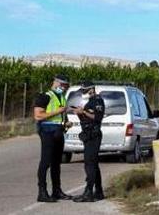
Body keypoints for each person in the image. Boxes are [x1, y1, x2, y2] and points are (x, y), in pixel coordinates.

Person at [32, 74, 74, 203]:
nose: (65, 88)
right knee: (46, 162)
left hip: (58, 132)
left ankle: (57, 191)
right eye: (63, 85)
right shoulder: (44, 97)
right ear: (56, 83)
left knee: (57, 163)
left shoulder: (61, 97)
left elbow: (62, 114)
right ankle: (42, 192)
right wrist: (58, 112)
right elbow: (38, 116)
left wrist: (66, 122)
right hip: (47, 132)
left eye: (66, 86)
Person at [72, 82, 105, 202]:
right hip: (87, 134)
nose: (83, 93)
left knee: (90, 164)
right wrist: (79, 114)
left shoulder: (97, 100)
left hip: (94, 135)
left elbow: (97, 117)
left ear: (91, 89)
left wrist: (84, 112)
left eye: (85, 90)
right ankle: (99, 191)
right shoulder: (88, 102)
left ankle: (89, 192)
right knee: (93, 164)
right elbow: (86, 118)